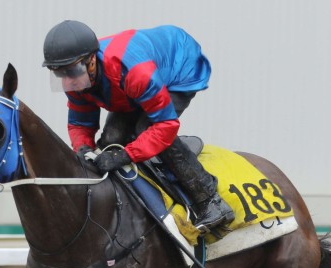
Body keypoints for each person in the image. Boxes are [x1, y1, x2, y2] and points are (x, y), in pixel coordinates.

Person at [42, 20, 234, 232]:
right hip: (131, 83)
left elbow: (166, 125)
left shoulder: (135, 72)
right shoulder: (75, 79)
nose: (68, 81)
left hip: (179, 65)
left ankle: (210, 201)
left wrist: (127, 155)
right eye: (60, 73)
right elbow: (80, 123)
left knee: (145, 130)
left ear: (92, 61)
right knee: (111, 140)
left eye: (72, 71)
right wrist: (83, 149)